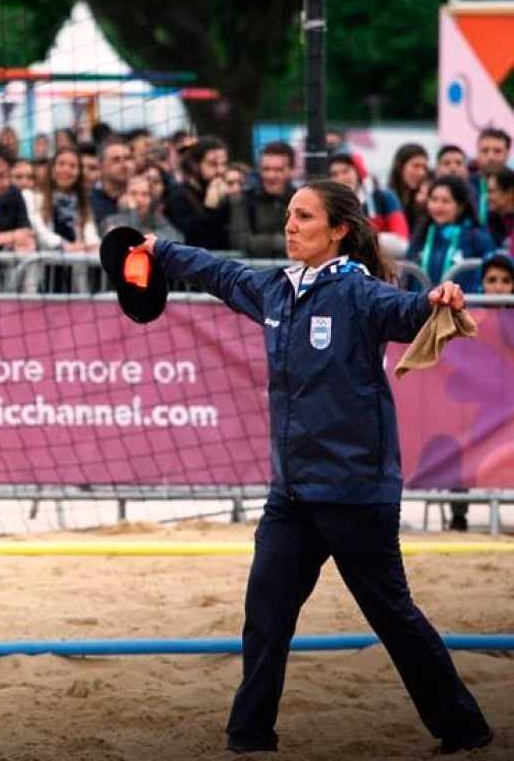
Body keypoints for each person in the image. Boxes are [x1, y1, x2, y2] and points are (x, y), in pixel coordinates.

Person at [135, 179, 493, 756]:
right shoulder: (278, 290)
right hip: (294, 494)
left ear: (338, 230)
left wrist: (439, 299)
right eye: (288, 215)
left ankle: (465, 730)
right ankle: (249, 738)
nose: (290, 225)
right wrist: (159, 249)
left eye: (304, 216)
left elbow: (406, 313)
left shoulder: (360, 294)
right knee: (265, 617)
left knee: (394, 618)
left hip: (355, 493)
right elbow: (220, 273)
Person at [407, 176, 495, 292]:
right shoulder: (421, 234)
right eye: (434, 200)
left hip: (467, 306)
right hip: (423, 307)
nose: (438, 206)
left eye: (445, 201)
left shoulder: (477, 237)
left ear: (460, 206)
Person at [228, 142, 296, 259]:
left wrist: (259, 241)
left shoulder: (300, 200)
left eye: (278, 170)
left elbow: (307, 242)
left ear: (291, 171)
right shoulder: (244, 200)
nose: (270, 175)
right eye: (266, 169)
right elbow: (240, 240)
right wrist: (279, 242)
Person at [164, 137, 230, 249]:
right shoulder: (178, 198)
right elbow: (193, 239)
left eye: (223, 164)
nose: (220, 170)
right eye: (212, 164)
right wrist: (210, 208)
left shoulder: (230, 193)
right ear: (195, 165)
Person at [388, 144, 429, 229]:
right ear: (400, 167)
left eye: (424, 168)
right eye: (416, 166)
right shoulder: (385, 199)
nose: (421, 173)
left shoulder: (426, 200)